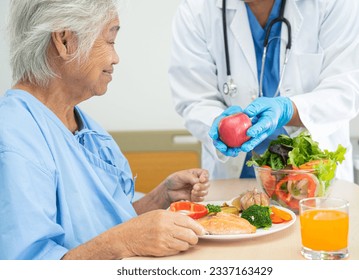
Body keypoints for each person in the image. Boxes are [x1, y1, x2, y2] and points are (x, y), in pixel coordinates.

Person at [0, 0, 210, 260]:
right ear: (64, 41)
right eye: (110, 40)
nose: (116, 58)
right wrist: (125, 242)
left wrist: (160, 198)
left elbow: (104, 222)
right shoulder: (15, 139)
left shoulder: (84, 128)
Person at [168, 0, 359, 181]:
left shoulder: (334, 4)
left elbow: (348, 88)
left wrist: (289, 110)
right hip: (235, 179)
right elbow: (194, 98)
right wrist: (219, 123)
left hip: (314, 178)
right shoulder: (197, 10)